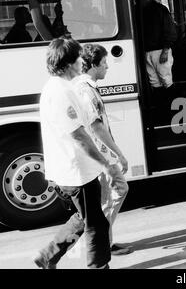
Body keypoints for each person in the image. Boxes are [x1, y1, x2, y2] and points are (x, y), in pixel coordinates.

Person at [35, 37, 117, 269]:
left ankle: (48, 255)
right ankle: (98, 266)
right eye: (79, 57)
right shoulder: (62, 92)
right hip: (77, 171)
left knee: (85, 218)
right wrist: (105, 163)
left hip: (69, 169)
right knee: (96, 224)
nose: (83, 61)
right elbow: (78, 135)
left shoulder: (56, 88)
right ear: (70, 63)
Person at [73, 44, 132, 256]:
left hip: (99, 155)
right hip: (100, 156)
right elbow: (96, 127)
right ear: (94, 65)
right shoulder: (85, 90)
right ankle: (99, 242)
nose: (107, 67)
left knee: (109, 197)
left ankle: (104, 239)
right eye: (104, 63)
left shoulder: (86, 87)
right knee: (116, 192)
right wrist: (119, 154)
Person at [142, 0, 178, 89]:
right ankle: (161, 103)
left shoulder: (161, 9)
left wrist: (165, 51)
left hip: (160, 50)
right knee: (154, 81)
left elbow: (170, 31)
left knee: (166, 80)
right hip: (149, 51)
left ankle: (170, 103)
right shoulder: (143, 10)